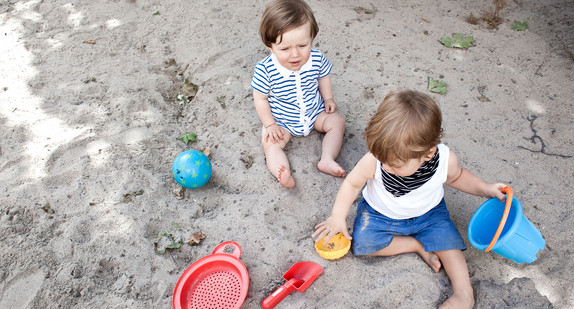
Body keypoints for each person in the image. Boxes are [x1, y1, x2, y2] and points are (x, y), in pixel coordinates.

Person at [312, 90, 506, 308]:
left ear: (428, 153)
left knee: (448, 244)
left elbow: (458, 177)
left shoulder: (444, 160)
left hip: (430, 214)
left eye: (394, 165)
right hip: (381, 214)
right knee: (363, 243)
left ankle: (464, 293)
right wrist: (338, 216)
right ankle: (416, 245)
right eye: (382, 160)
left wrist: (486, 189)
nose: (385, 167)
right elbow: (352, 183)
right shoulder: (376, 160)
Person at [251, 0, 346, 188]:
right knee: (270, 143)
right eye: (285, 49)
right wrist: (270, 125)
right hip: (282, 120)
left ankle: (327, 158)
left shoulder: (316, 58)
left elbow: (323, 77)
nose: (295, 55)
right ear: (270, 46)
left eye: (303, 45)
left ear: (312, 39)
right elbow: (260, 98)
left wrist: (328, 98)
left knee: (338, 122)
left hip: (314, 112)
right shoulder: (266, 70)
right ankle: (282, 171)